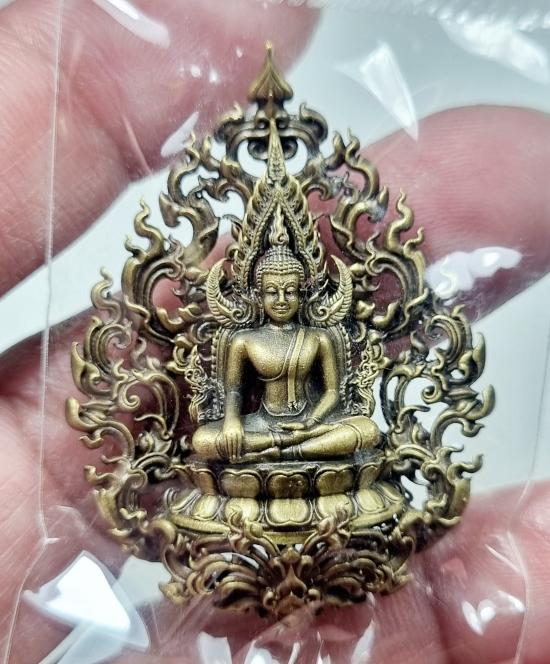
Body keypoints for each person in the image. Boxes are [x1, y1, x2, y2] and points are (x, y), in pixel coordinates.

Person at [2, 2, 550, 662]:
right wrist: (249, 436)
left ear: (309, 285)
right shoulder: (240, 341)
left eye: (293, 288)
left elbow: (339, 410)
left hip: (315, 450)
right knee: (212, 441)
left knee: (357, 434)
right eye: (273, 289)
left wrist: (304, 432)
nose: (284, 298)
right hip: (252, 459)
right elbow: (230, 419)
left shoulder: (322, 338)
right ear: (254, 290)